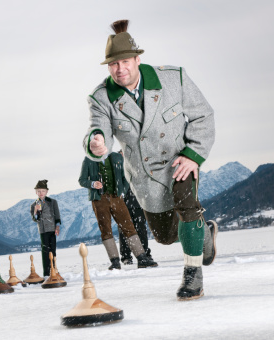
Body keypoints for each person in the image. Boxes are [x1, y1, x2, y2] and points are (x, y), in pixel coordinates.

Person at [84, 20, 218, 300]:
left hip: (180, 161)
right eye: (112, 64)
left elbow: (203, 115)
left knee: (187, 206)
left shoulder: (174, 78)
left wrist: (193, 155)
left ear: (137, 59)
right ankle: (203, 232)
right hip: (144, 176)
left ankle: (193, 277)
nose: (119, 69)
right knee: (166, 236)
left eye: (124, 61)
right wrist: (96, 142)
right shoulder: (100, 97)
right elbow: (99, 131)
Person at [78, 153, 157, 270]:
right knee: (106, 229)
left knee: (128, 226)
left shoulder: (117, 157)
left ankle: (141, 258)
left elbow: (125, 176)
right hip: (99, 199)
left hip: (116, 197)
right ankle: (115, 262)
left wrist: (123, 191)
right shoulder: (88, 160)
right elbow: (82, 180)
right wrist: (93, 184)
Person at [117, 150, 153, 265]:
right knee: (124, 230)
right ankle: (126, 256)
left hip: (138, 200)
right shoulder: (117, 165)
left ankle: (145, 253)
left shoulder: (137, 164)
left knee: (141, 228)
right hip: (122, 201)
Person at [30, 180, 61, 277]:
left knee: (53, 250)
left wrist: (57, 226)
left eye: (42, 191)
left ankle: (54, 270)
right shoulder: (33, 205)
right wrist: (36, 212)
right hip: (43, 230)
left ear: (46, 191)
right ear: (36, 192)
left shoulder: (52, 202)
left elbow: (57, 215)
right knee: (45, 251)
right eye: (38, 191)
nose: (41, 193)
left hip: (52, 229)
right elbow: (35, 219)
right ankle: (47, 273)